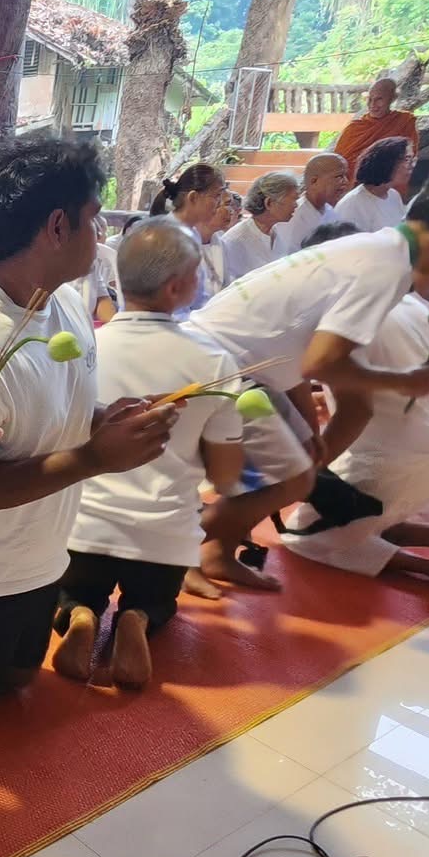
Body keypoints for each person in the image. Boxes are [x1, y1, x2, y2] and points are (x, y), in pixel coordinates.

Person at [0, 138, 175, 719]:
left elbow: (56, 416)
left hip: (42, 556)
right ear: (56, 227)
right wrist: (95, 458)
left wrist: (106, 423)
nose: (101, 234)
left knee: (21, 678)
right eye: (93, 219)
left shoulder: (65, 303)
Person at [190, 171, 429, 591]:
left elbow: (307, 361)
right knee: (293, 479)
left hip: (237, 366)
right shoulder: (385, 266)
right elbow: (321, 363)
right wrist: (403, 382)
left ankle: (215, 551)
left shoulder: (378, 253)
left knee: (298, 468)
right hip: (214, 370)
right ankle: (173, 548)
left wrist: (314, 442)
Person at [58, 217, 246, 688]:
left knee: (67, 593)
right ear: (177, 287)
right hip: (163, 536)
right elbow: (226, 476)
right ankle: (137, 618)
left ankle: (79, 615)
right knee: (158, 601)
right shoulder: (215, 363)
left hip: (80, 528)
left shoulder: (86, 347)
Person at [273, 275, 429, 585]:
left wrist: (308, 471)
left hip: (390, 459)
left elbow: (354, 412)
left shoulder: (337, 321)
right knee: (364, 514)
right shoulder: (409, 304)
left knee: (303, 535)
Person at [148, 164, 234, 305]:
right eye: (216, 196)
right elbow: (167, 301)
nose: (219, 204)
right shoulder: (164, 237)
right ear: (193, 197)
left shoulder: (193, 233)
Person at [218, 172, 299, 280]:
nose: (296, 205)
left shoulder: (280, 231)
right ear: (269, 203)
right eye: (293, 199)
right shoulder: (235, 241)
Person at [332, 77, 418, 178]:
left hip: (389, 179)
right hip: (353, 181)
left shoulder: (404, 121)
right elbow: (338, 162)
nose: (372, 104)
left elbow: (409, 157)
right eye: (369, 99)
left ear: (393, 98)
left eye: (379, 99)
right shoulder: (355, 127)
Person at [272, 152, 349, 254]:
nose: (346, 182)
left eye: (346, 176)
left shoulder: (329, 210)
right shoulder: (293, 216)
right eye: (339, 176)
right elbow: (287, 258)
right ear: (314, 181)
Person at [332, 138, 414, 234]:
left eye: (413, 159)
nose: (412, 165)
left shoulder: (393, 195)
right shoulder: (352, 204)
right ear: (388, 162)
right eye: (407, 159)